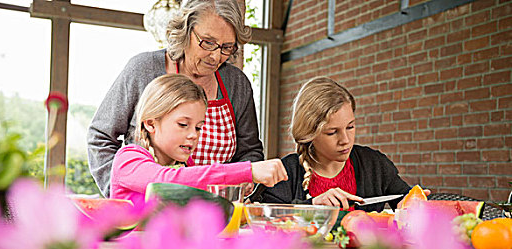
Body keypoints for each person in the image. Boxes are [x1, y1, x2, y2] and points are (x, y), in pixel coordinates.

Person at [88, 0, 263, 197]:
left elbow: (250, 152)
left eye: (226, 47)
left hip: (213, 213)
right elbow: (100, 137)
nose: (215, 56)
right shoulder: (143, 69)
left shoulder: (236, 84)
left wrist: (240, 192)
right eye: (208, 42)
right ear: (186, 30)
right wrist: (122, 195)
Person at [110, 74, 287, 205]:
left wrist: (234, 210)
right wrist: (248, 170)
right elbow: (166, 182)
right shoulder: (128, 159)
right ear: (150, 124)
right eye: (183, 124)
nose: (193, 135)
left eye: (198, 127)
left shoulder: (188, 167)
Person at [253, 77, 412, 212]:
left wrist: (414, 204)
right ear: (309, 133)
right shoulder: (285, 173)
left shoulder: (374, 164)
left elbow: (404, 197)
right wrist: (312, 206)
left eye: (350, 127)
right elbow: (266, 216)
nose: (345, 140)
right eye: (332, 132)